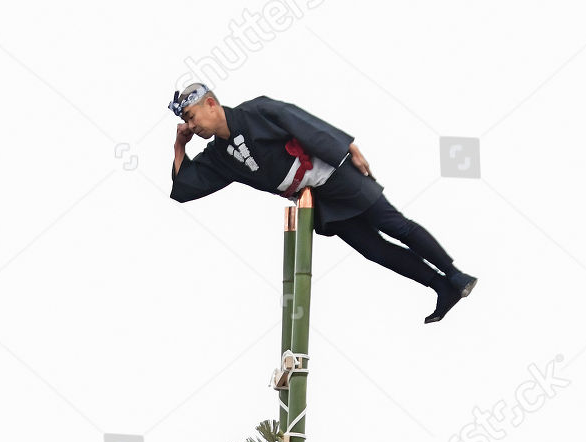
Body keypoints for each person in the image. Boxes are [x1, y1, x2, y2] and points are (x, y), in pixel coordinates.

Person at [169, 83, 477, 325]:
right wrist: (180, 145)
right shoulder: (218, 157)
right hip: (315, 201)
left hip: (336, 176)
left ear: (211, 103)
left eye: (192, 116)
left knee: (395, 225)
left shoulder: (256, 110)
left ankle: (454, 274)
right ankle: (440, 286)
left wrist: (349, 147)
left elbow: (303, 122)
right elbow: (185, 186)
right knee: (374, 250)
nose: (192, 125)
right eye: (186, 121)